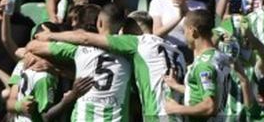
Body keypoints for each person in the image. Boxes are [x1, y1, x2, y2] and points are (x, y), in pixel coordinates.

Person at [36, 10, 187, 121]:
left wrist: (48, 37)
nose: (123, 37)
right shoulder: (176, 52)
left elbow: (84, 39)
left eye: (126, 32)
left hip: (157, 114)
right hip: (181, 113)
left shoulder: (137, 44)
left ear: (135, 31)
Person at [28, 3, 132, 122]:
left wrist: (35, 51)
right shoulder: (130, 52)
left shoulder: (79, 50)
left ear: (100, 23)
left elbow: (32, 46)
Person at [164, 9, 229, 120]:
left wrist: (176, 108)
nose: (184, 37)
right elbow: (202, 91)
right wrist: (176, 86)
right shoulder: (219, 56)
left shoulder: (203, 66)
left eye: (184, 31)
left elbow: (209, 106)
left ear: (193, 31)